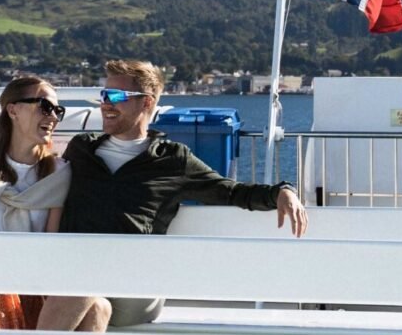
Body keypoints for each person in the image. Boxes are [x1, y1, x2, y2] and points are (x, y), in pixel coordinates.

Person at [50, 59, 307, 328]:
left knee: (79, 289)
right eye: (104, 95)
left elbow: (230, 191)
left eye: (116, 96)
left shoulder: (173, 160)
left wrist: (282, 191)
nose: (106, 104)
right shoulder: (81, 150)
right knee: (92, 305)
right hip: (82, 279)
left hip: (135, 287)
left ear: (147, 103)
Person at [0, 75, 106, 330]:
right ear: (13, 110)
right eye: (44, 106)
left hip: (32, 279)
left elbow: (51, 245)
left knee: (98, 306)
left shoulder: (58, 173)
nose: (53, 117)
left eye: (57, 111)